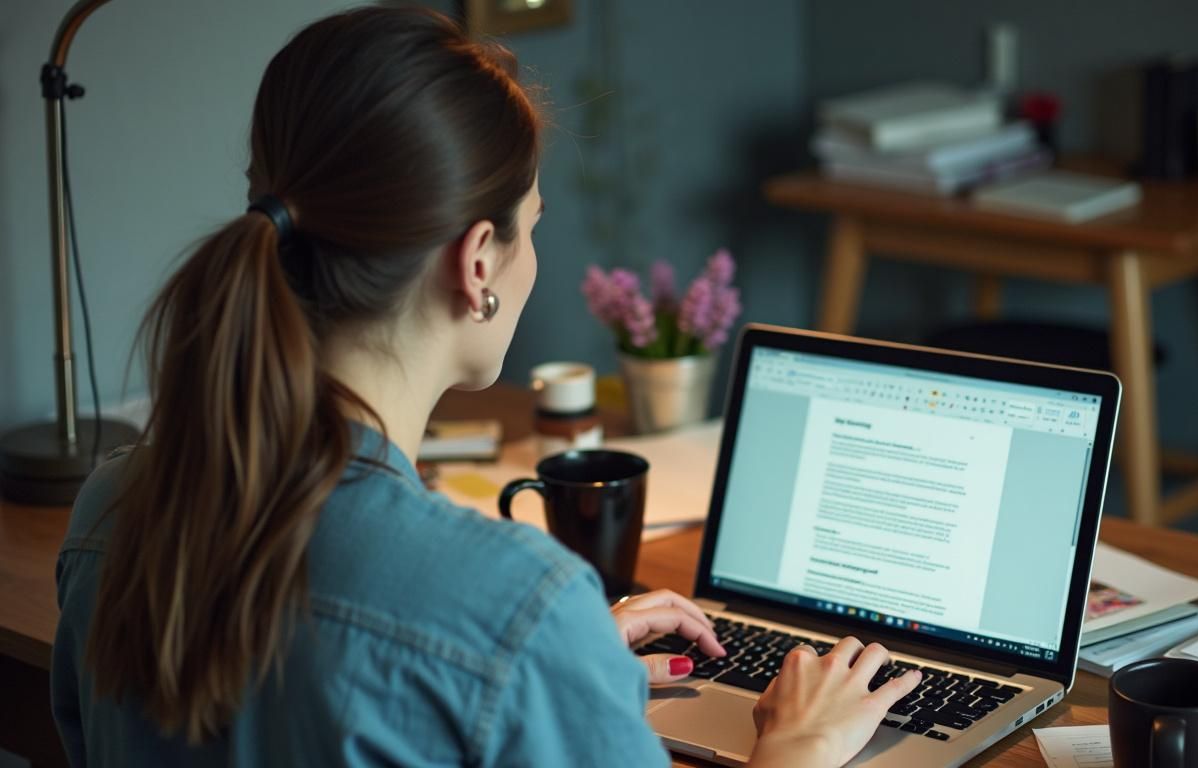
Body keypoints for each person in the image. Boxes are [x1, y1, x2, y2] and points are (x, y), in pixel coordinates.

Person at [50, 6, 920, 767]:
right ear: (476, 264)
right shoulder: (516, 599)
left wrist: (551, 667)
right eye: (531, 227)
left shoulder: (111, 509)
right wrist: (796, 748)